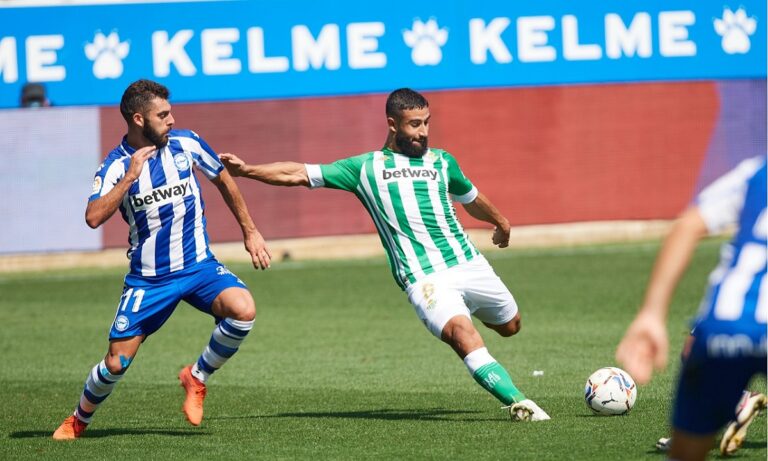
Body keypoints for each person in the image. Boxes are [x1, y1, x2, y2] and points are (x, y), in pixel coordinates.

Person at [220, 88, 550, 421]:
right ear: (393, 124)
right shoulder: (365, 168)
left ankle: (470, 314)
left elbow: (471, 198)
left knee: (511, 326)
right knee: (461, 334)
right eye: (414, 124)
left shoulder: (442, 161)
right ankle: (520, 403)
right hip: (425, 277)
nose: (423, 132)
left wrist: (501, 222)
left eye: (426, 122)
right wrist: (247, 170)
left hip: (468, 262)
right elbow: (298, 173)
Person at [52, 79, 272, 440]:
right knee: (116, 363)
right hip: (150, 280)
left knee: (243, 310)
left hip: (199, 267)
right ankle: (78, 419)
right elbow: (93, 217)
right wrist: (129, 178)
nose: (172, 120)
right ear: (139, 119)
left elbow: (224, 180)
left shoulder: (187, 143)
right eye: (163, 115)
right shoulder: (115, 166)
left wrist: (250, 231)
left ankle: (196, 377)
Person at [616, 156, 767, 460]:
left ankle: (738, 402)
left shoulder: (756, 173)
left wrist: (651, 313)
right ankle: (741, 401)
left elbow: (687, 226)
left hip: (724, 323)